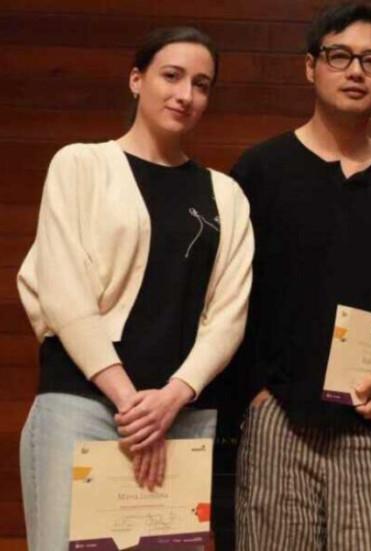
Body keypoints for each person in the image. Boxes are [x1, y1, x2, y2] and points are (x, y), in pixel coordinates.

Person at [16, 26, 252, 551]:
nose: (185, 94)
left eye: (202, 83)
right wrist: (130, 402)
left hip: (182, 416)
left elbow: (229, 315)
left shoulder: (227, 196)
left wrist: (171, 398)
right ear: (136, 79)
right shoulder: (80, 165)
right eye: (171, 76)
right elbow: (62, 290)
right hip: (83, 405)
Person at [230, 4, 371, 550]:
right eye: (339, 56)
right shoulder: (259, 170)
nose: (356, 71)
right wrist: (254, 393)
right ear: (310, 67)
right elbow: (227, 297)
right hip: (279, 420)